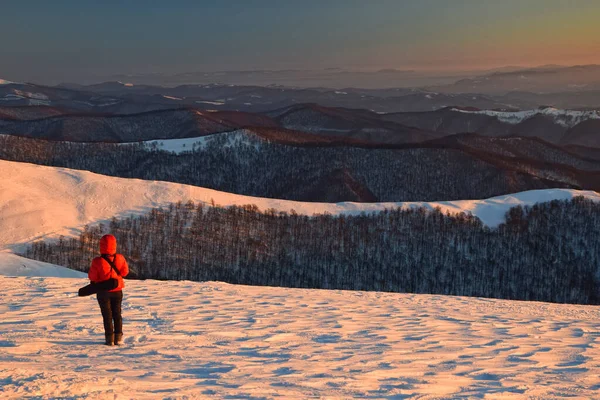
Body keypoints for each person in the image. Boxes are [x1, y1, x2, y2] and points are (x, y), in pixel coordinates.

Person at [88, 234, 129, 346]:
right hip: (117, 290)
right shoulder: (120, 258)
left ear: (101, 246)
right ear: (114, 245)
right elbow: (125, 272)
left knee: (107, 315)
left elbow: (92, 277)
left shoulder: (97, 261)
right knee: (117, 313)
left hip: (103, 291)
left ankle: (109, 338)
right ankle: (118, 337)